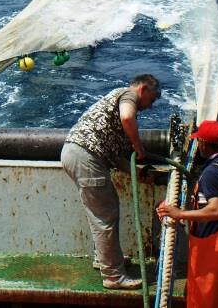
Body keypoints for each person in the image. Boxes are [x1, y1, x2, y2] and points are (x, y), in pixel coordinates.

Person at [61, 73, 162, 290]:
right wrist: (139, 146)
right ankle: (114, 276)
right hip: (87, 156)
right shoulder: (128, 95)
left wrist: (137, 171)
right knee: (104, 215)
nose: (150, 106)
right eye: (152, 100)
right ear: (143, 89)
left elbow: (116, 158)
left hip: (77, 153)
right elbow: (128, 118)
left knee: (103, 210)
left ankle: (104, 258)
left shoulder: (113, 104)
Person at [156, 120, 218, 308]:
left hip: (213, 251)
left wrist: (180, 213)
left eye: (199, 141)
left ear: (204, 144)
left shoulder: (211, 173)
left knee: (203, 299)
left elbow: (216, 210)